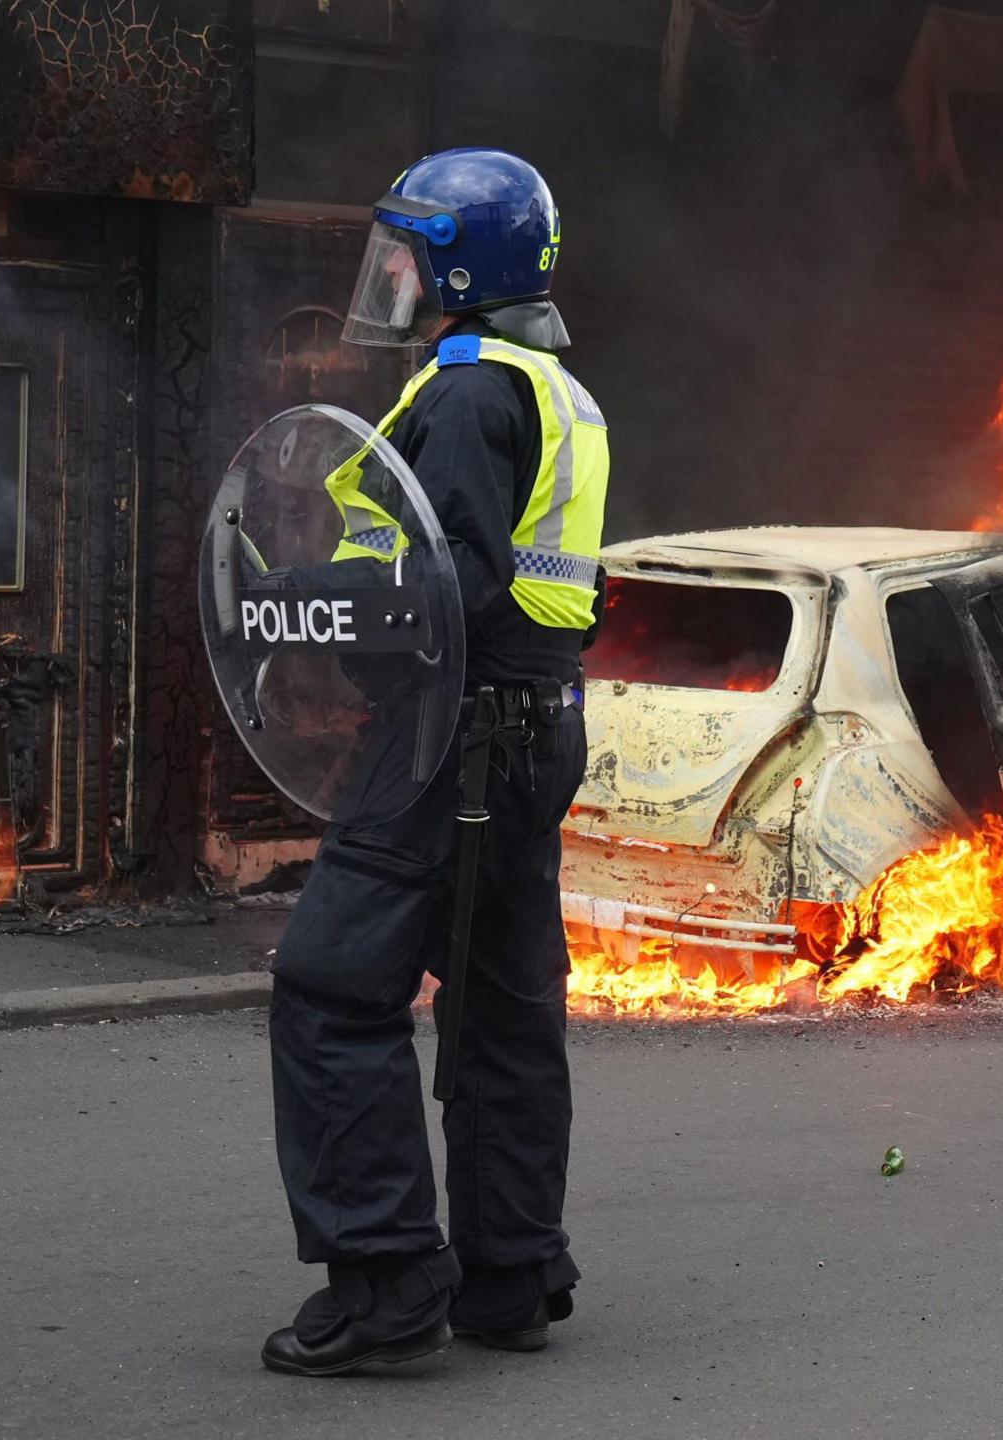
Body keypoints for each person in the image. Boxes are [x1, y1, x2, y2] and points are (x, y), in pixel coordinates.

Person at [258, 148, 608, 1377]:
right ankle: (511, 1276)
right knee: (507, 1005)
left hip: (446, 736)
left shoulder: (462, 389)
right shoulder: (553, 386)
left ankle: (387, 1283)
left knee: (331, 988)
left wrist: (301, 599)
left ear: (460, 263)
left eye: (405, 250)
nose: (391, 271)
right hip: (533, 727)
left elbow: (451, 582)